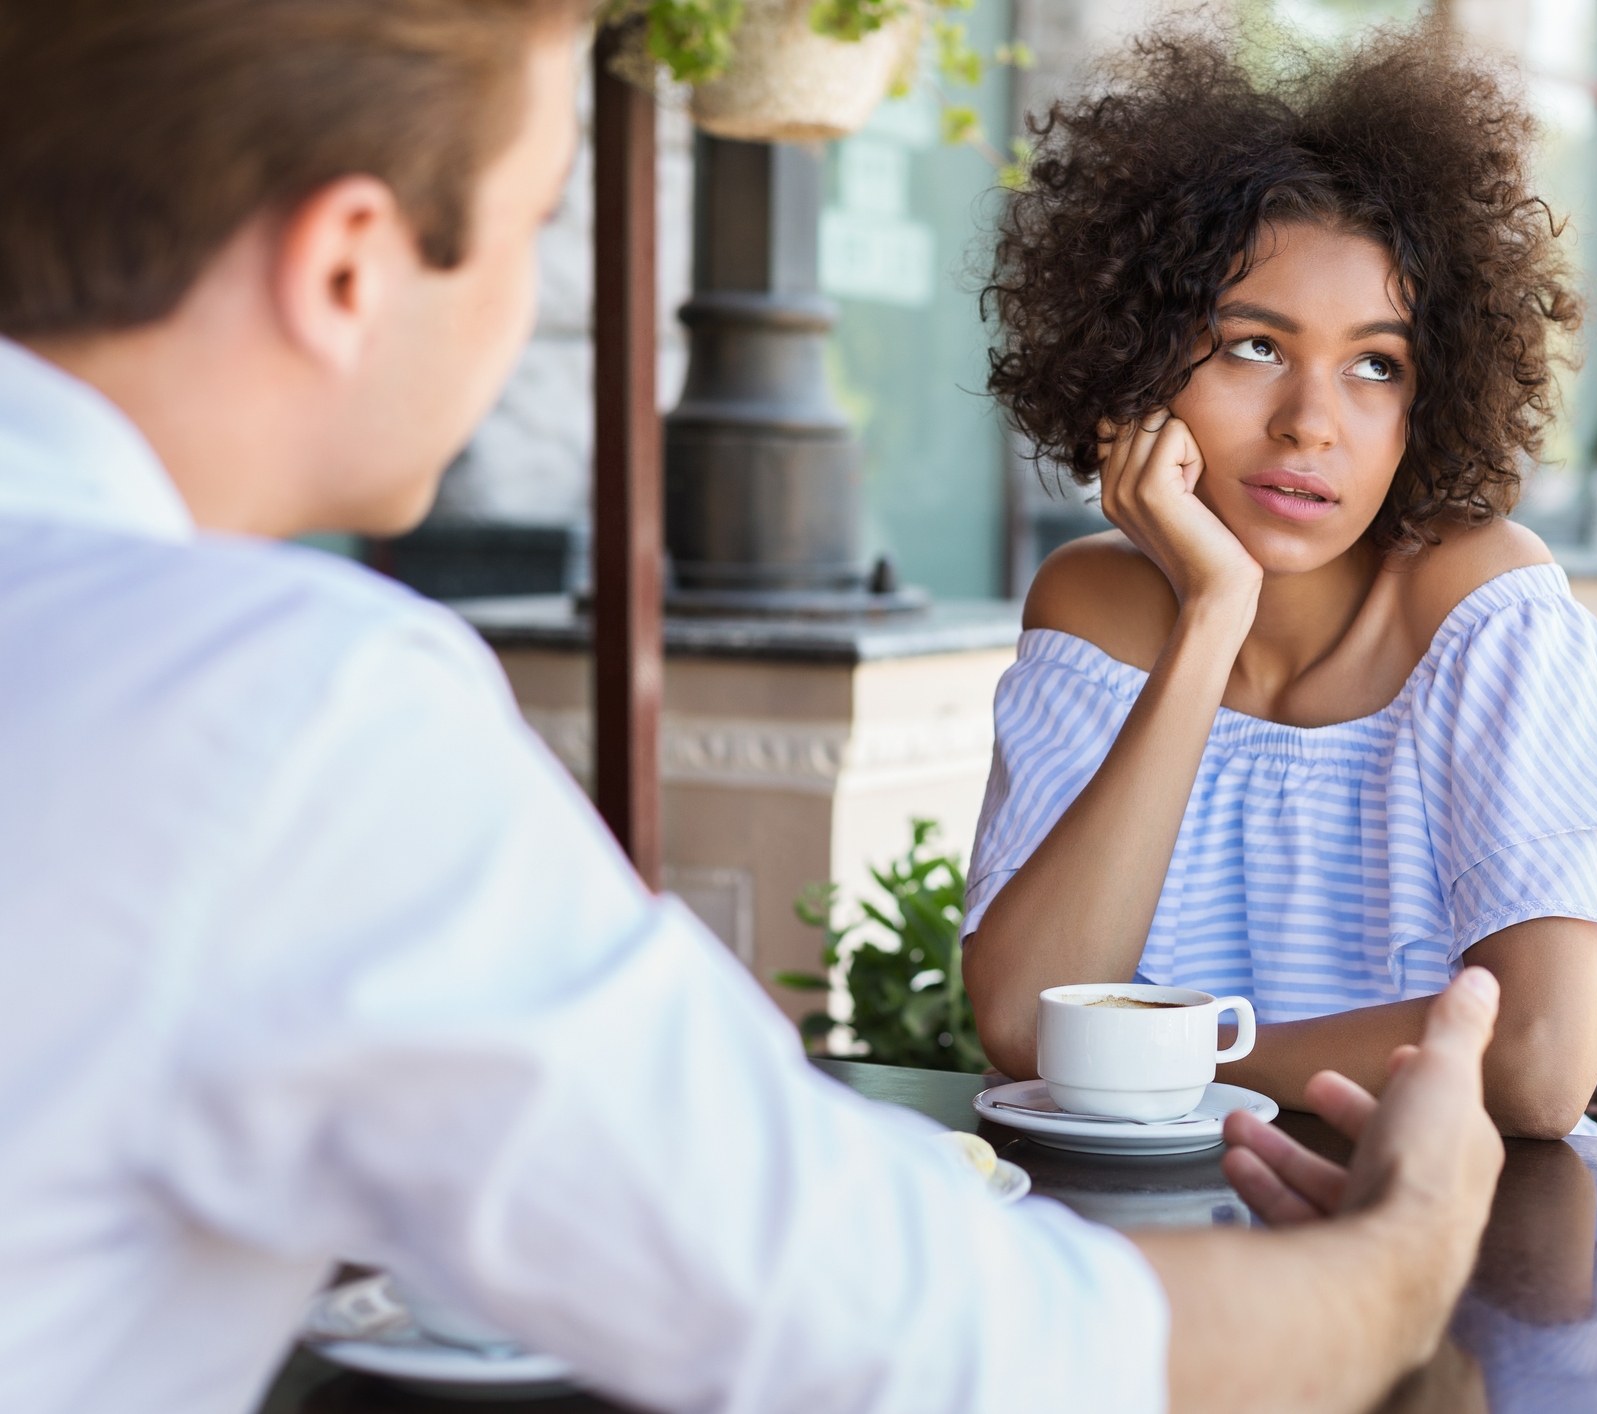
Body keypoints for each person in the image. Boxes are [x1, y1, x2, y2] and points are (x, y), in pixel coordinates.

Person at [0, 3, 1508, 1412]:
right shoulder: (283, 711)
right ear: (348, 267)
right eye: (536, 222)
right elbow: (915, 1332)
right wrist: (1402, 1256)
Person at [962, 23, 1597, 1136]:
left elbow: (1535, 1060)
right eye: (1254, 346)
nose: (1311, 424)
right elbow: (1028, 1025)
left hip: (1445, 1248)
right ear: (1135, 356)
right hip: (1158, 1247)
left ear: (1433, 395)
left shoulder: (1485, 609)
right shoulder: (1095, 609)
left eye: (1378, 365)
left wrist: (1187, 1055)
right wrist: (1212, 614)